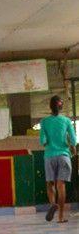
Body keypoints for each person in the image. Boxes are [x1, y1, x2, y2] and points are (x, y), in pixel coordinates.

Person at [40, 95, 77, 223]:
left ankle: (52, 204)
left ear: (50, 107)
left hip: (49, 156)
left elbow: (42, 141)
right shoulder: (66, 121)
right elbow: (73, 140)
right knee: (61, 186)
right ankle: (60, 216)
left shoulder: (44, 122)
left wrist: (48, 143)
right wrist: (73, 149)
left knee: (50, 183)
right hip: (64, 156)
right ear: (61, 107)